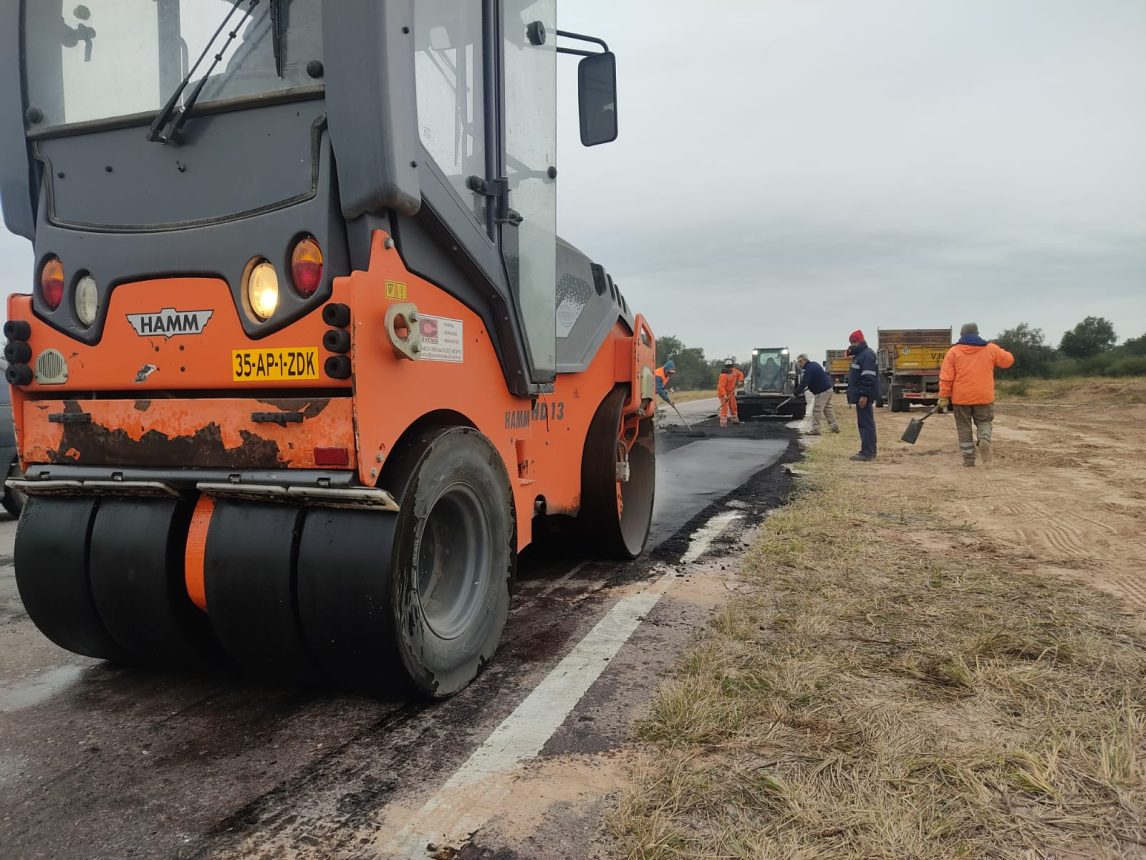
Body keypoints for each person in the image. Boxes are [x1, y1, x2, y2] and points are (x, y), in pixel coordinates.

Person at [937, 323, 1015, 467]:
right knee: (984, 422)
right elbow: (1008, 361)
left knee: (964, 428)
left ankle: (968, 460)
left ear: (961, 335)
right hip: (983, 396)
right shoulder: (990, 349)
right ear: (978, 333)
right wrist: (997, 348)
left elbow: (946, 377)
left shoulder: (953, 352)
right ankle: (984, 439)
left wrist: (944, 396)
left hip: (961, 398)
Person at [846, 329, 880, 461]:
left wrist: (864, 395)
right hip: (860, 394)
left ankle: (867, 452)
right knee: (865, 423)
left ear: (859, 341)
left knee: (866, 424)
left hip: (864, 396)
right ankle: (869, 450)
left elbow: (868, 377)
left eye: (853, 342)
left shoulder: (866, 355)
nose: (851, 345)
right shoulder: (860, 355)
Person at [795, 354, 839, 435]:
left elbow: (804, 382)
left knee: (817, 410)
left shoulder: (809, 368)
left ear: (805, 360)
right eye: (798, 362)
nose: (799, 364)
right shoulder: (814, 365)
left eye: (800, 362)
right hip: (828, 389)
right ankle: (834, 427)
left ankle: (816, 429)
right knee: (827, 409)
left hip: (822, 391)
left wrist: (796, 393)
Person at [716, 359, 745, 428]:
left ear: (732, 366)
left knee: (733, 407)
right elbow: (720, 387)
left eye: (730, 366)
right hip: (724, 394)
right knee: (725, 408)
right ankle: (723, 424)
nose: (729, 368)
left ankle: (735, 421)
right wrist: (724, 395)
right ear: (725, 367)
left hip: (731, 393)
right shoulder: (723, 376)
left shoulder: (735, 371)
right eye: (728, 367)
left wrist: (740, 380)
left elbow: (740, 374)